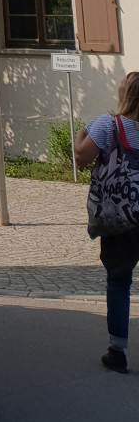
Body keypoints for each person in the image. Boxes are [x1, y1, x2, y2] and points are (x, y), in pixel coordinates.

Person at [75, 71, 139, 372]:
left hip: (121, 218)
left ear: (123, 94)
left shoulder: (107, 124)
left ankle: (117, 352)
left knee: (119, 281)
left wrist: (79, 133)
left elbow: (81, 157)